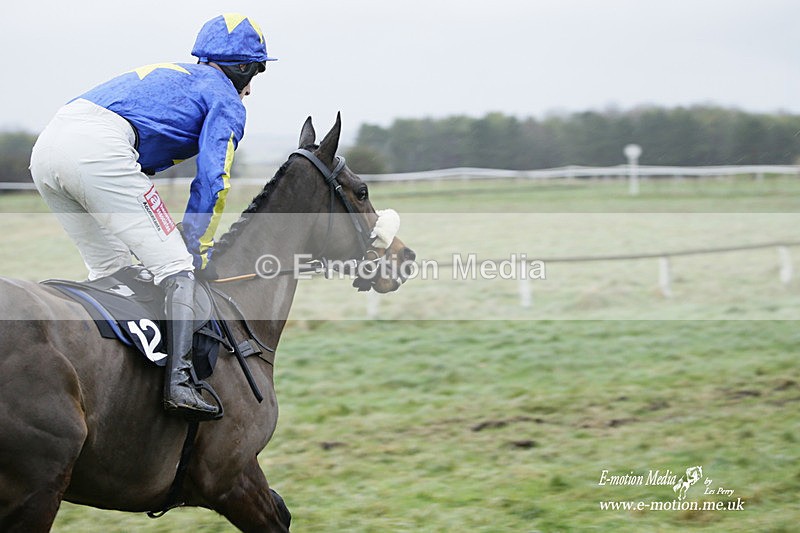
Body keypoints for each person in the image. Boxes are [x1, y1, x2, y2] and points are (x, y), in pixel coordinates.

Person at [29, 13, 276, 421]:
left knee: (112, 269)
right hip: (99, 150)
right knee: (176, 264)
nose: (250, 88)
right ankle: (180, 383)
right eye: (255, 72)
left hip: (47, 149)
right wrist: (197, 242)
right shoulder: (226, 99)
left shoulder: (178, 76)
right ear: (244, 67)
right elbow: (215, 180)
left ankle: (115, 376)